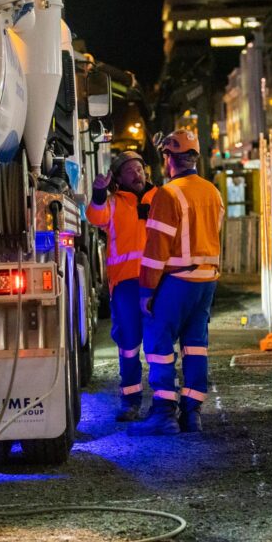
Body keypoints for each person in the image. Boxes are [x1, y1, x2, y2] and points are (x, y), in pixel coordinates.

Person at [128, 130, 224, 436]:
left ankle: (163, 413)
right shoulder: (212, 192)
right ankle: (192, 413)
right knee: (196, 345)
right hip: (206, 279)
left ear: (169, 159)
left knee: (158, 342)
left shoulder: (168, 194)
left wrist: (146, 290)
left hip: (177, 279)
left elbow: (157, 249)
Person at [87, 151, 157, 421]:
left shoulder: (159, 197)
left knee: (158, 342)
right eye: (129, 171)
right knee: (128, 343)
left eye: (138, 169)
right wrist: (98, 193)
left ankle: (164, 402)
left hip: (157, 281)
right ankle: (130, 401)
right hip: (126, 283)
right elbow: (95, 217)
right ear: (118, 179)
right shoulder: (114, 203)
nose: (136, 174)